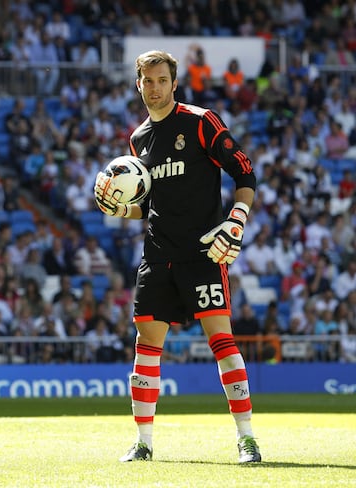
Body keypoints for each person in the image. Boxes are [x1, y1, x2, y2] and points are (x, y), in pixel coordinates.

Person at [94, 50, 261, 464]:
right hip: (157, 255)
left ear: (174, 83)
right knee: (146, 346)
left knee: (222, 342)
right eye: (147, 81)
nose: (154, 88)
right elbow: (147, 205)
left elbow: (244, 171)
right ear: (138, 85)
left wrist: (236, 219)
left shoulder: (201, 121)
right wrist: (117, 207)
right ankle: (144, 442)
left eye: (161, 80)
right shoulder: (137, 140)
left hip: (203, 252)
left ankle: (247, 439)